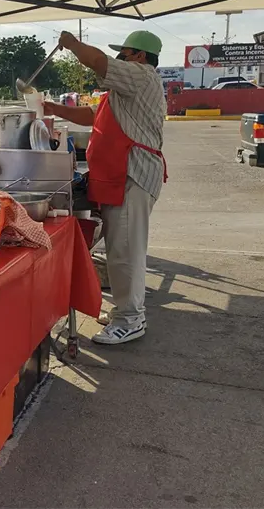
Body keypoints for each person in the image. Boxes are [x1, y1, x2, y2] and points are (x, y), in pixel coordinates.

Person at [44, 30, 167, 345]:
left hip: (133, 175)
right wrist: (52, 109)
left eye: (123, 53)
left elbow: (97, 61)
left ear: (138, 55)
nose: (119, 59)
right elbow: (91, 115)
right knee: (118, 248)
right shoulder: (123, 91)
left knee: (127, 251)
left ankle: (131, 319)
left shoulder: (141, 76)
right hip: (119, 175)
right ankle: (125, 311)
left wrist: (71, 44)